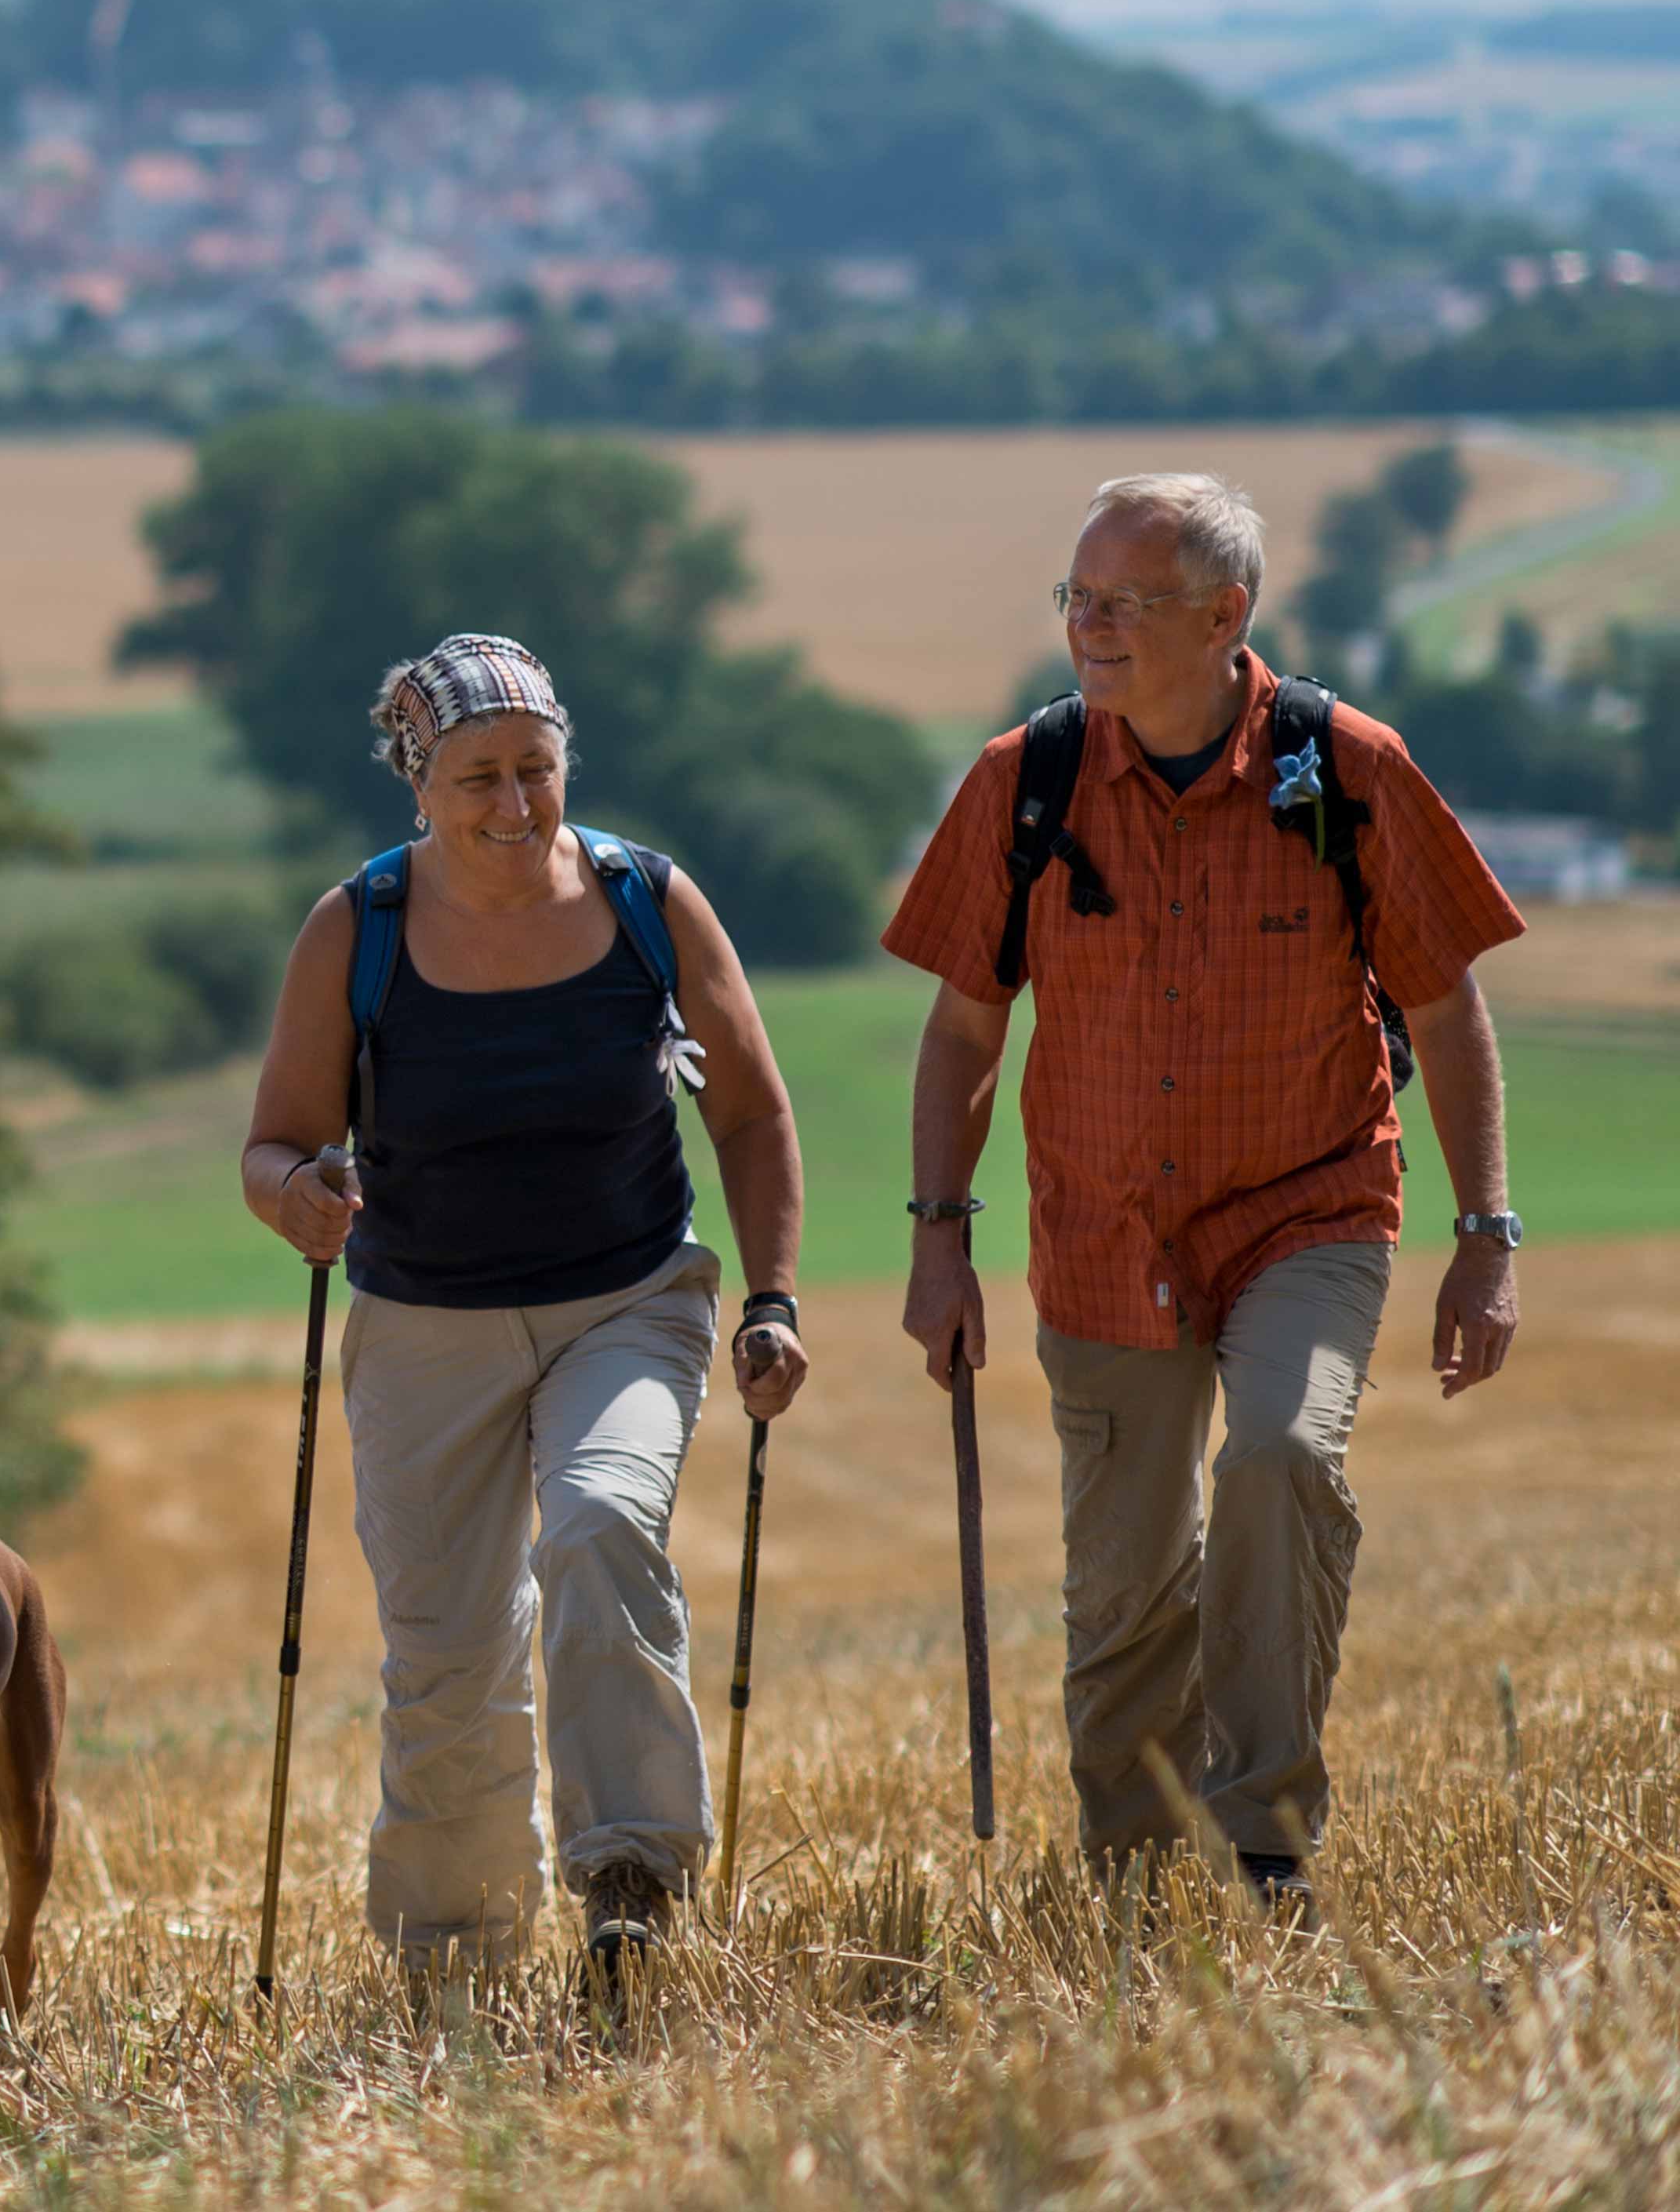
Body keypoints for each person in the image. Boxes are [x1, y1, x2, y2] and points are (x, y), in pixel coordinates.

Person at [883, 471, 1522, 1905]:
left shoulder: (1349, 769)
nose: (1089, 627)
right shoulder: (1022, 782)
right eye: (1078, 597)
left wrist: (1488, 1235)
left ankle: (1265, 1838)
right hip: (1103, 1232)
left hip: (1312, 1204)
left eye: (1124, 602)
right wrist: (939, 1242)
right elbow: (965, 1032)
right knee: (1122, 1589)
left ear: (1227, 615)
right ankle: (1131, 1884)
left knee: (1282, 1459)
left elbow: (1445, 1005)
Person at [237, 632, 809, 1986]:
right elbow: (274, 1143)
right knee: (445, 1649)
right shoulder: (358, 928)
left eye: (535, 769)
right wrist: (295, 1200)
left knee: (605, 1525)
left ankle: (631, 1877)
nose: (511, 804)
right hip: (423, 1320)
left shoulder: (647, 903)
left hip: (626, 1295)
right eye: (476, 776)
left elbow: (750, 1107)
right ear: (418, 785)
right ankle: (455, 1955)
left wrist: (774, 1294)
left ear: (566, 764)